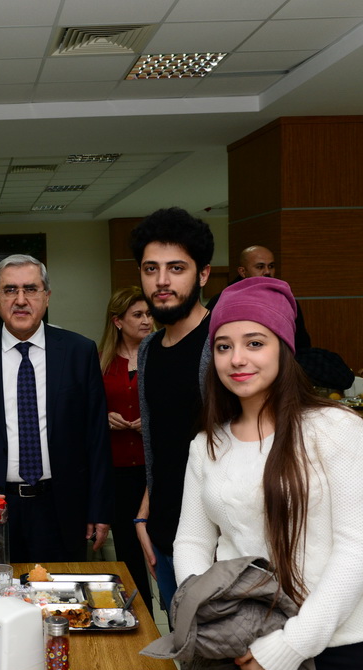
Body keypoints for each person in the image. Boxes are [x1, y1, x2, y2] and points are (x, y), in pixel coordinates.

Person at [176, 276, 363, 670]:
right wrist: (213, 619)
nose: (237, 359)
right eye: (223, 346)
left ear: (283, 349)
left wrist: (292, 645)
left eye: (255, 343)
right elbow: (192, 542)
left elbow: (359, 552)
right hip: (237, 649)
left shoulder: (336, 429)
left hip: (332, 650)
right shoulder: (208, 444)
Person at [0, 254, 113, 562]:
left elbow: (96, 437)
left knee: (60, 592)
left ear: (46, 296)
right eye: (10, 290)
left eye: (31, 289)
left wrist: (98, 507)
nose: (20, 300)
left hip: (62, 507)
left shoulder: (79, 352)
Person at [131, 207, 213, 613]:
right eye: (151, 269)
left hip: (216, 542)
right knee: (182, 645)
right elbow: (161, 440)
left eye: (176, 268)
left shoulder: (223, 343)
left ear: (203, 274)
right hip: (163, 533)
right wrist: (144, 515)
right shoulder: (148, 349)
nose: (162, 281)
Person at [97, 287, 155, 614]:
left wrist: (154, 421)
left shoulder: (161, 354)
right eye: (138, 315)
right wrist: (103, 417)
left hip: (155, 469)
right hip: (117, 469)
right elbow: (84, 410)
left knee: (163, 548)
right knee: (129, 552)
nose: (147, 320)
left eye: (149, 314)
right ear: (118, 321)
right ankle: (141, 618)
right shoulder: (100, 361)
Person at [206, 245, 311, 351]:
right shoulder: (222, 301)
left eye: (271, 266)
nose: (267, 272)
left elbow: (302, 345)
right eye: (260, 267)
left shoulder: (285, 301)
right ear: (243, 272)